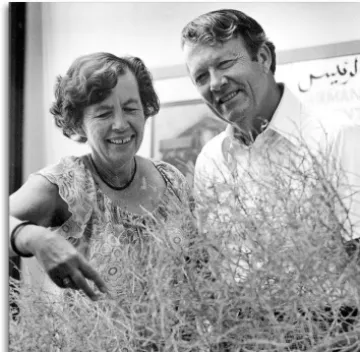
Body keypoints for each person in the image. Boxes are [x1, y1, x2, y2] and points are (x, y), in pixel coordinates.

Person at [181, 8, 360, 350]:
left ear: (262, 56)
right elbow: (217, 267)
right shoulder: (211, 160)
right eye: (201, 76)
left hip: (333, 335)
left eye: (225, 63)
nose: (215, 83)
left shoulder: (337, 137)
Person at [9, 53, 195, 302]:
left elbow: (198, 266)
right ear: (78, 123)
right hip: (92, 341)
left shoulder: (171, 178)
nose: (120, 124)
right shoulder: (65, 184)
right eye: (103, 113)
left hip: (176, 340)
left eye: (130, 108)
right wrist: (32, 237)